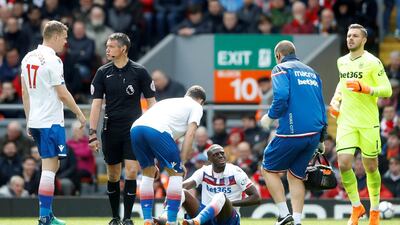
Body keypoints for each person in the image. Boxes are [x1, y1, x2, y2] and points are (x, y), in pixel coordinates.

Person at [20, 20, 86, 225]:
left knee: (53, 165)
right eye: (65, 38)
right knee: (49, 167)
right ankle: (44, 217)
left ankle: (47, 215)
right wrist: (79, 114)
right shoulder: (53, 60)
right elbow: (63, 94)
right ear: (55, 36)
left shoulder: (28, 57)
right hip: (50, 120)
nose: (65, 43)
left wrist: (29, 119)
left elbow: (25, 93)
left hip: (37, 119)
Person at [88, 32, 156, 225]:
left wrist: (154, 130)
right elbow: (95, 104)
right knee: (113, 174)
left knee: (132, 171)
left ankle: (127, 218)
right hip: (111, 129)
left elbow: (152, 103)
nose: (107, 49)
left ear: (123, 49)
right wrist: (92, 133)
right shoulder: (102, 72)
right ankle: (115, 217)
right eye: (107, 46)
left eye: (111, 46)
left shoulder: (140, 71)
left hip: (133, 130)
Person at [329, 23, 392, 225]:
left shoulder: (373, 62)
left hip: (368, 122)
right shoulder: (341, 62)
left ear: (364, 40)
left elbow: (387, 90)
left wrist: (367, 89)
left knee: (371, 167)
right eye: (348, 35)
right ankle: (356, 207)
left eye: (355, 36)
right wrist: (335, 99)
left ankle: (374, 211)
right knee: (344, 163)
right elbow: (342, 83)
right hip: (346, 121)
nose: (350, 39)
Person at [259, 40, 327, 225]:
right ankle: (297, 221)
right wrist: (322, 137)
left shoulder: (281, 68)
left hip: (292, 131)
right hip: (313, 134)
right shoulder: (313, 73)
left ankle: (284, 214)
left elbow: (281, 97)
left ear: (278, 56)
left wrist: (270, 117)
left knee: (268, 168)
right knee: (295, 175)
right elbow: (322, 106)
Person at [130, 85, 206, 225]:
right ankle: (171, 221)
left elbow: (151, 127)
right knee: (176, 174)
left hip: (136, 128)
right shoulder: (196, 106)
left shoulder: (167, 101)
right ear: (201, 100)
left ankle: (147, 220)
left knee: (148, 173)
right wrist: (182, 161)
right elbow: (190, 134)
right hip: (157, 130)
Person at [155, 144, 260, 225]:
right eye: (216, 154)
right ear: (209, 160)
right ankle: (166, 217)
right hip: (207, 216)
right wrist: (174, 190)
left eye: (222, 153)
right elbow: (185, 185)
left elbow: (256, 197)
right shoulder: (204, 171)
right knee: (181, 191)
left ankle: (197, 221)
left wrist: (228, 203)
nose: (221, 156)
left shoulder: (236, 172)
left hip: (228, 218)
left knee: (220, 196)